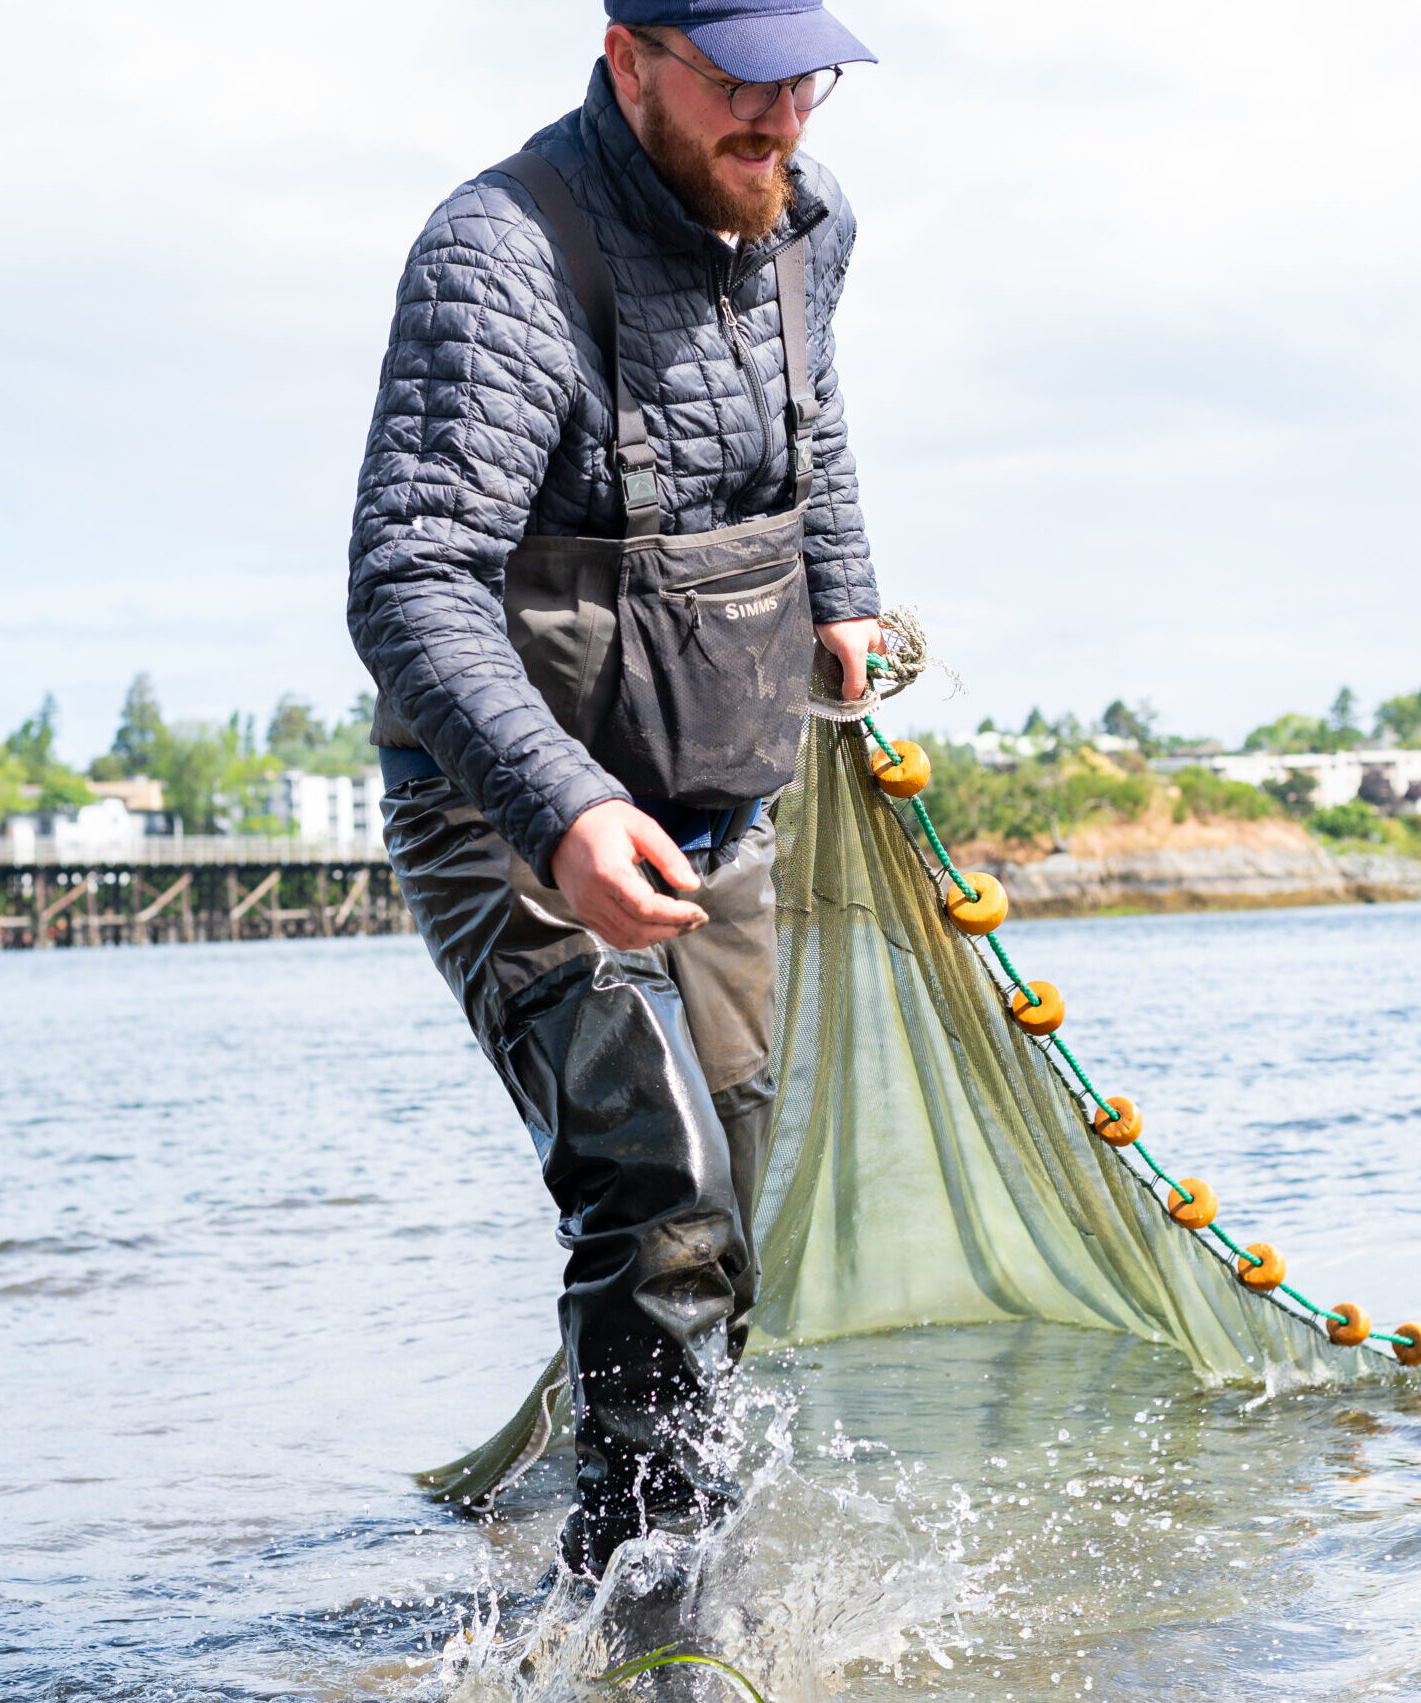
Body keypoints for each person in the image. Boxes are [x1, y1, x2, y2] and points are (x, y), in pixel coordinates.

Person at [346, 0, 880, 1580]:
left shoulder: (811, 218)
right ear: (626, 48)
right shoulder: (496, 259)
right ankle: (656, 1645)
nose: (781, 119)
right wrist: (562, 810)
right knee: (658, 1191)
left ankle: (641, 1579)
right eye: (740, 80)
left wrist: (844, 589)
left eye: (807, 80)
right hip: (503, 816)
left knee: (723, 1234)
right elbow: (410, 583)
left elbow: (815, 427)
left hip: (723, 809)